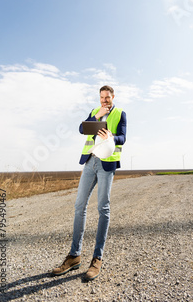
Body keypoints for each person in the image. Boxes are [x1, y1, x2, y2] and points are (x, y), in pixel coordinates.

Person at [51, 85, 127, 281]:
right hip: (90, 161)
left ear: (113, 97)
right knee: (79, 206)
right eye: (102, 97)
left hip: (107, 164)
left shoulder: (120, 113)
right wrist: (97, 115)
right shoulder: (94, 112)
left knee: (103, 208)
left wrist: (112, 136)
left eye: (107, 97)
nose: (104, 100)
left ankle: (97, 258)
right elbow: (81, 129)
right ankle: (74, 256)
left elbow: (123, 138)